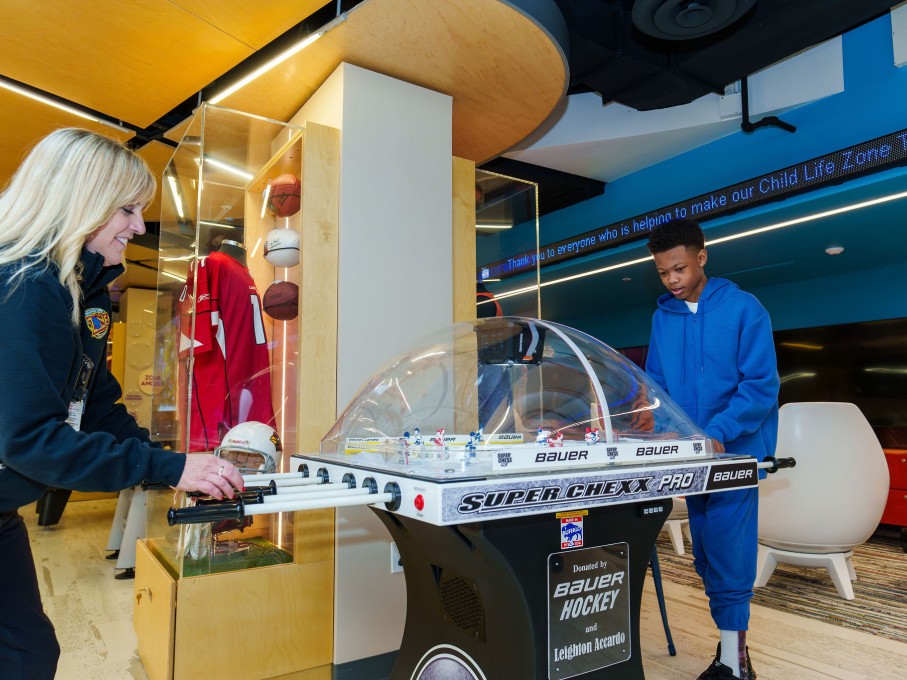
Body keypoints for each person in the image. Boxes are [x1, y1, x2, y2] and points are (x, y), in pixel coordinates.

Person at [0, 128, 244, 679]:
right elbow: (29, 440)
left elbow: (97, 402)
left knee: (28, 653)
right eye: (128, 209)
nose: (138, 226)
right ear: (80, 201)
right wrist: (171, 466)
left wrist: (175, 469)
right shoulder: (26, 286)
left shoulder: (79, 292)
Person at [644, 218, 779, 680]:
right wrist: (664, 426)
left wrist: (716, 430)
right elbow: (656, 385)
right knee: (704, 553)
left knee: (729, 550)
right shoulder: (663, 317)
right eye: (663, 273)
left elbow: (760, 387)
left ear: (702, 257)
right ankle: (730, 653)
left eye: (679, 269)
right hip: (690, 459)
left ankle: (735, 662)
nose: (673, 280)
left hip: (734, 457)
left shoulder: (745, 309)